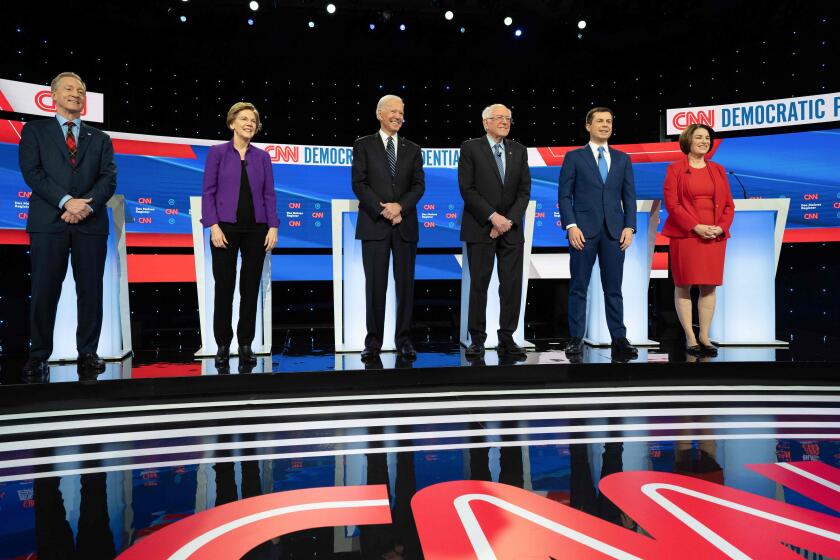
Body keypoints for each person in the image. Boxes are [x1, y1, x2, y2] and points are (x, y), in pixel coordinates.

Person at [18, 71, 117, 380]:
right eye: (69, 89)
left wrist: (85, 205)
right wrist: (65, 201)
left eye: (81, 90)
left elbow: (108, 178)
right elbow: (32, 172)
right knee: (45, 289)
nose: (76, 94)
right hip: (48, 222)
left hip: (90, 223)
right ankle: (38, 355)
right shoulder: (34, 131)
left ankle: (87, 352)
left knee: (90, 291)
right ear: (54, 96)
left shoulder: (100, 139)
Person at [201, 102, 279, 369]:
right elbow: (208, 191)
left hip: (256, 230)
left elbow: (269, 194)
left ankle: (245, 344)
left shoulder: (263, 157)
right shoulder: (217, 153)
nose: (249, 123)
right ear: (232, 123)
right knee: (224, 288)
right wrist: (212, 225)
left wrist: (273, 226)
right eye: (244, 119)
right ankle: (223, 344)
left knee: (249, 288)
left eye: (253, 121)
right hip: (225, 229)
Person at [558, 107, 638, 360]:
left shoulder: (623, 158)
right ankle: (575, 338)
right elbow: (564, 195)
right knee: (579, 287)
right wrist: (571, 226)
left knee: (613, 288)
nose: (605, 125)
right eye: (600, 121)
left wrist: (629, 226)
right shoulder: (574, 157)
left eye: (609, 121)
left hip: (615, 232)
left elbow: (629, 196)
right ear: (588, 126)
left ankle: (619, 338)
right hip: (583, 231)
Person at [351, 95, 425, 363]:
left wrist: (399, 208)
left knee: (405, 286)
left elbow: (418, 186)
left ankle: (404, 340)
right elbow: (359, 184)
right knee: (375, 286)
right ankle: (373, 342)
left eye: (401, 112)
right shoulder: (363, 145)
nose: (398, 116)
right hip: (375, 225)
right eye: (393, 111)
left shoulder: (413, 148)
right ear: (379, 114)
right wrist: (384, 209)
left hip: (405, 226)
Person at [458, 104, 531, 359]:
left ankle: (507, 338)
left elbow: (524, 192)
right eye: (499, 118)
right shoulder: (470, 148)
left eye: (508, 118)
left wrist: (506, 221)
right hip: (480, 227)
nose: (504, 121)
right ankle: (476, 339)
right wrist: (493, 218)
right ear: (485, 122)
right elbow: (467, 189)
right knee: (479, 285)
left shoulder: (519, 151)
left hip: (510, 230)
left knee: (511, 286)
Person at [661, 124, 734, 357]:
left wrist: (720, 228)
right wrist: (696, 226)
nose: (704, 141)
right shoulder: (675, 169)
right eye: (699, 137)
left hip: (714, 235)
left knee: (709, 286)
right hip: (686, 234)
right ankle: (690, 337)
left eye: (707, 138)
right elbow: (672, 204)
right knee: (684, 285)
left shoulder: (719, 170)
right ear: (688, 141)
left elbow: (729, 205)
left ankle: (704, 335)